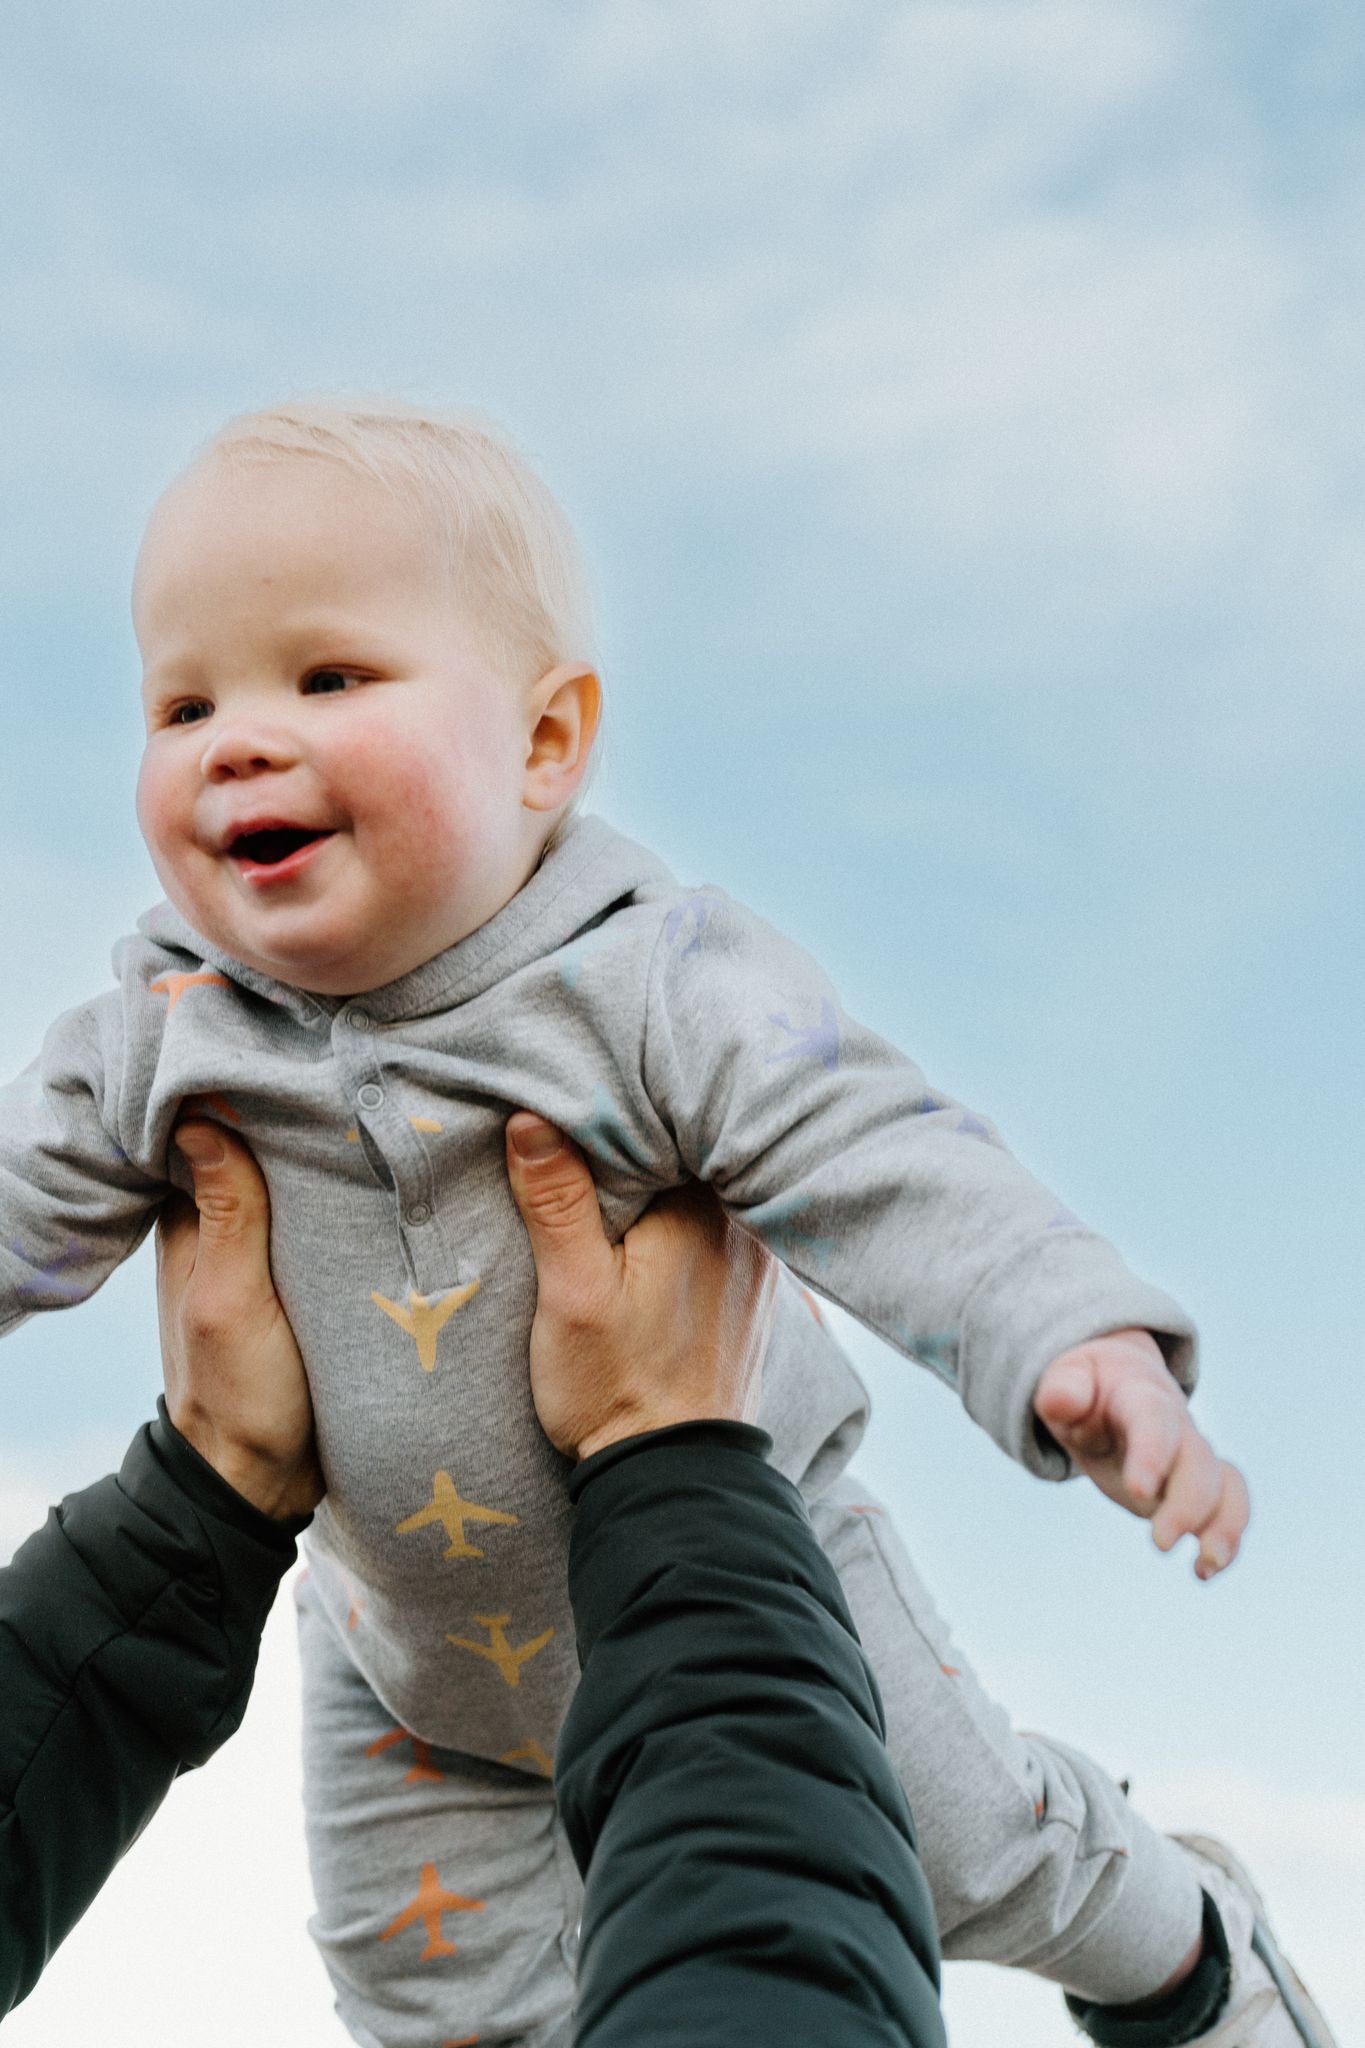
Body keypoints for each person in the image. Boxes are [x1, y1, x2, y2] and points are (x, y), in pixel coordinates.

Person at [0, 395, 1328, 2048]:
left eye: (327, 678)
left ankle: (1195, 1952)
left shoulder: (647, 982)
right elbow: (19, 1213)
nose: (237, 738)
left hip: (754, 1582)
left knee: (967, 1850)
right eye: (181, 699)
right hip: (410, 1659)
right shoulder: (159, 1033)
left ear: (545, 743)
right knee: (424, 1998)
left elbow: (872, 1149)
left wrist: (1068, 1332)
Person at [0, 1116, 948, 2048]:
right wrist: (675, 1460)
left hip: (727, 1505)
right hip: (418, 1639)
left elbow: (838, 1120)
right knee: (427, 2000)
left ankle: (1108, 1961)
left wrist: (190, 1508)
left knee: (973, 1852)